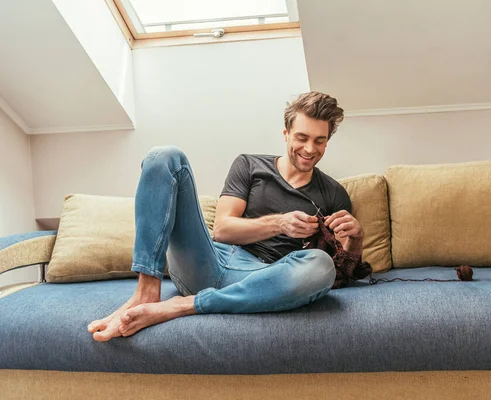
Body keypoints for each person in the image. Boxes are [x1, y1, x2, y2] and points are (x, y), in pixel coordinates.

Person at [87, 91, 364, 342]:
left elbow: (342, 270)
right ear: (286, 133)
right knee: (164, 157)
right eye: (302, 138)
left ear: (328, 141)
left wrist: (355, 238)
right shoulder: (249, 166)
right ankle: (147, 291)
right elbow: (222, 230)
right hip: (211, 261)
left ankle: (185, 305)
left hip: (266, 280)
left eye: (320, 140)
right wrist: (279, 223)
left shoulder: (333, 193)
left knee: (321, 265)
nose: (309, 149)